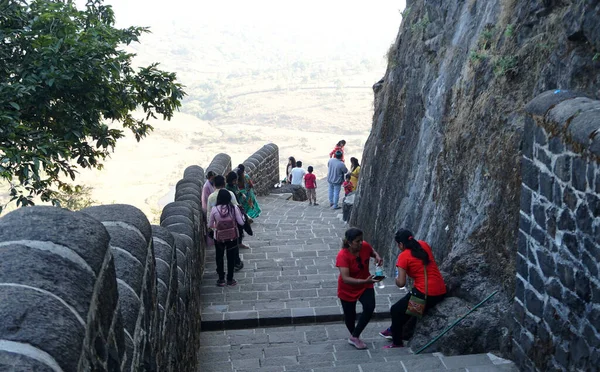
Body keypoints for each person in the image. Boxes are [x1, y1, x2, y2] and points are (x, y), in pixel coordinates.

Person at [380, 228, 447, 348]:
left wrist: (396, 277)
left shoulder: (403, 256)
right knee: (409, 310)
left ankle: (397, 342)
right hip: (440, 290)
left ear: (400, 244)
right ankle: (397, 330)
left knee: (395, 310)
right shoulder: (423, 244)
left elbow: (400, 283)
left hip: (424, 293)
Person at [336, 228, 383, 349]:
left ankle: (355, 336)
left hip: (365, 284)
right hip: (348, 288)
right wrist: (364, 281)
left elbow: (371, 251)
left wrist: (377, 256)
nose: (361, 243)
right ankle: (354, 335)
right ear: (350, 242)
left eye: (361, 240)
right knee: (349, 315)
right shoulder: (342, 256)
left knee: (369, 306)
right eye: (357, 241)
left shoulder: (365, 246)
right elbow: (346, 278)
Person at [208, 189, 245, 287]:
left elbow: (210, 224)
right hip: (232, 237)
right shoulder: (234, 208)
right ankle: (230, 279)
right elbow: (241, 222)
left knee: (219, 257)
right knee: (231, 257)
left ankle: (221, 279)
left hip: (219, 237)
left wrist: (218, 226)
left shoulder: (214, 209)